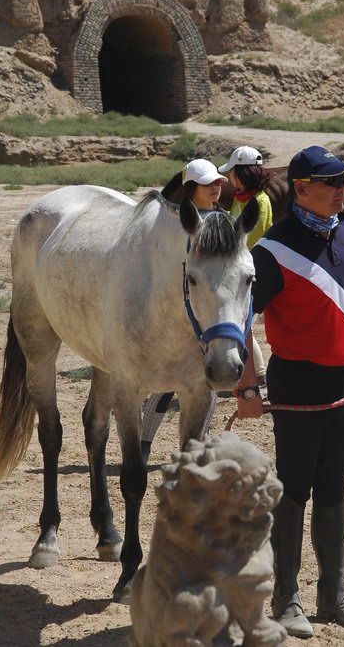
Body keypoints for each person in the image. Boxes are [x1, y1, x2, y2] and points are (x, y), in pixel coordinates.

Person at [235, 146, 344, 638]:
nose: (343, 191)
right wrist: (247, 386)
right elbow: (241, 320)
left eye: (343, 182)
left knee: (335, 487)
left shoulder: (343, 234)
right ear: (301, 189)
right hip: (298, 385)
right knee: (295, 489)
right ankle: (287, 598)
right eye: (332, 183)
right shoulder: (269, 253)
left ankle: (334, 594)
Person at [140, 159, 227, 461]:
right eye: (208, 183)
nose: (216, 187)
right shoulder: (172, 223)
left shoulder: (223, 218)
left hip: (212, 314)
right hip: (177, 316)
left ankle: (196, 445)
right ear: (191, 188)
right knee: (164, 388)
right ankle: (143, 443)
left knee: (207, 385)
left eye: (218, 182)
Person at [218, 146, 273, 382]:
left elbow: (249, 239)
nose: (229, 178)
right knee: (243, 323)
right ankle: (259, 372)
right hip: (237, 268)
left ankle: (254, 373)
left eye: (232, 172)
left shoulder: (259, 202)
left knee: (243, 322)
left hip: (247, 271)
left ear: (242, 173)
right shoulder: (243, 199)